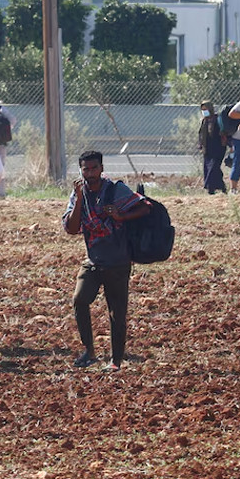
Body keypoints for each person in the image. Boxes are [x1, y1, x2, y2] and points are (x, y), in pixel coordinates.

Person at [63, 150, 150, 370]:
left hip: (118, 262)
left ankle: (116, 361)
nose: (89, 173)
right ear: (80, 170)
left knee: (117, 313)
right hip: (93, 261)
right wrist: (80, 199)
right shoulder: (78, 194)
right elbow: (72, 228)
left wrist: (121, 216)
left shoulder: (115, 190)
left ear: (101, 169)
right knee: (80, 300)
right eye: (85, 169)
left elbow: (144, 207)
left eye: (94, 168)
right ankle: (89, 352)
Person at [197, 101, 227, 195]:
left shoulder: (218, 119)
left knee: (213, 167)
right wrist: (201, 145)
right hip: (208, 148)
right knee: (211, 168)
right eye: (203, 110)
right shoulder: (204, 121)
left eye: (205, 109)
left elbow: (224, 132)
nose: (204, 111)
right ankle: (220, 187)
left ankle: (211, 188)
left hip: (218, 147)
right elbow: (201, 134)